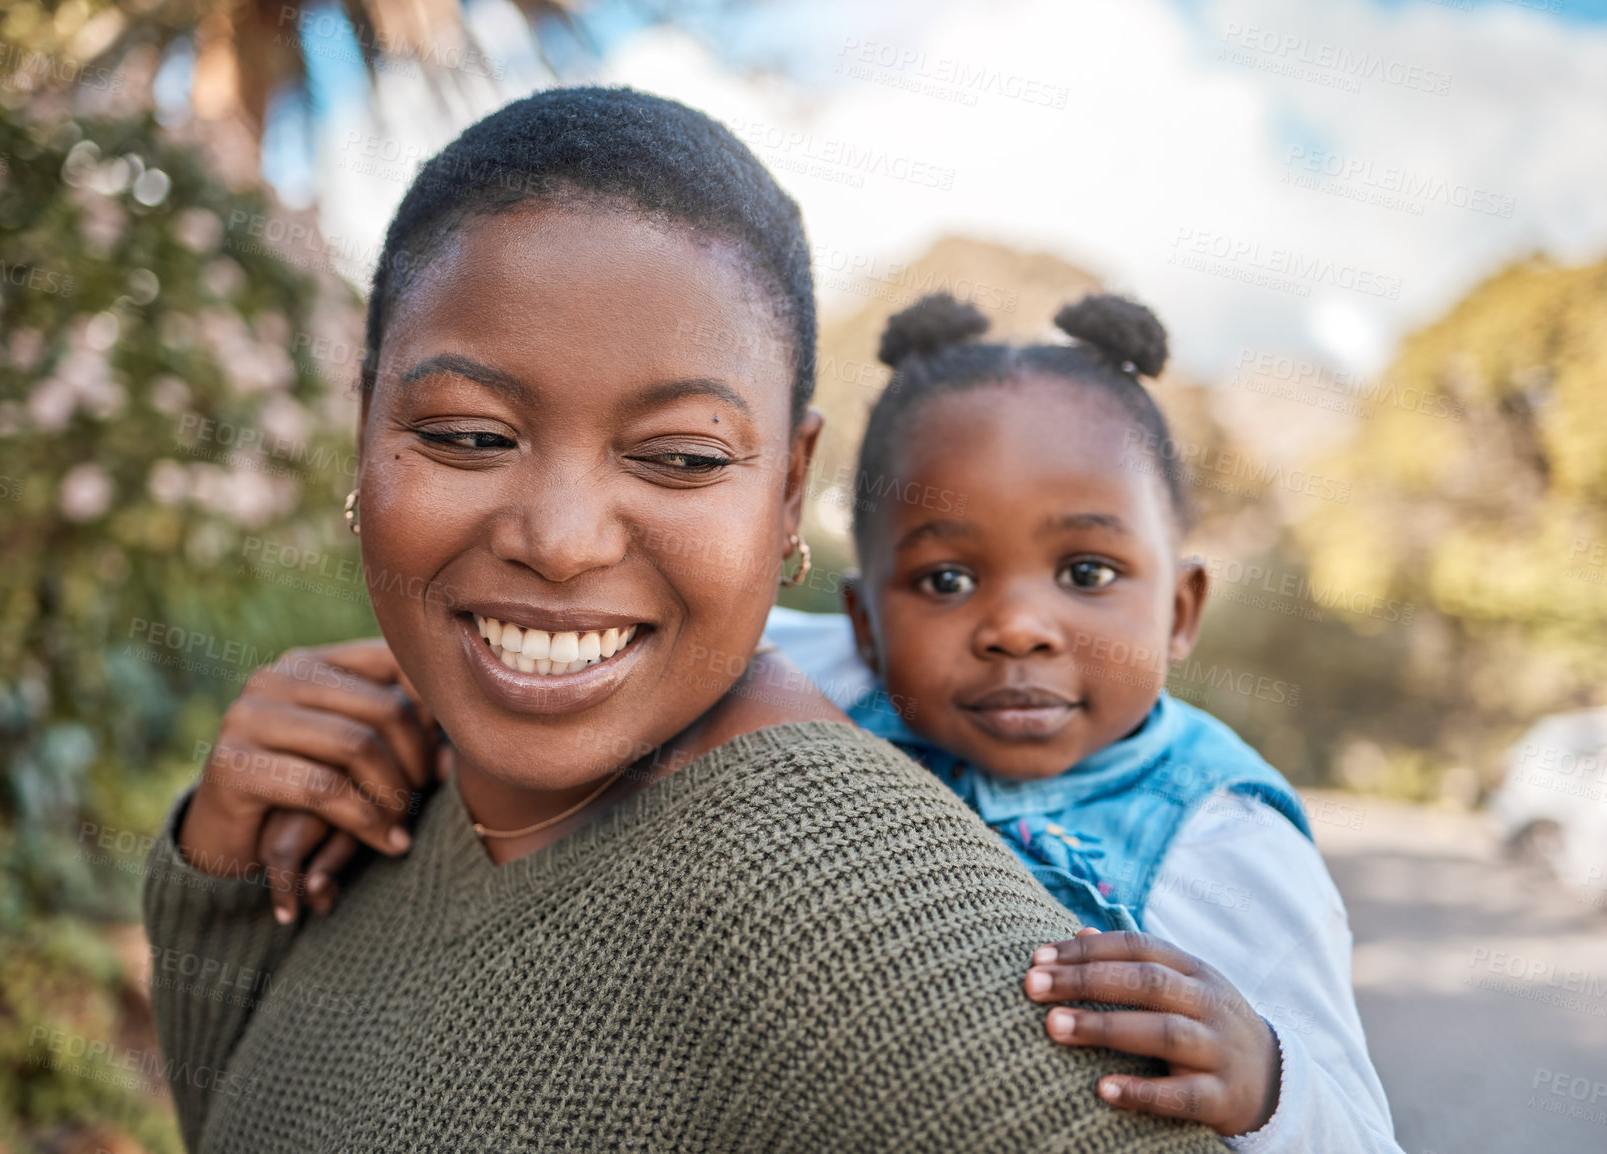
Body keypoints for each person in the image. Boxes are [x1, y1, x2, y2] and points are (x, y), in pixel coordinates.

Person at [141, 88, 1227, 1153]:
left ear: (790, 490)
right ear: (368, 421)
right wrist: (223, 878)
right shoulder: (399, 789)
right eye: (470, 436)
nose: (560, 540)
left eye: (682, 456)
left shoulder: (837, 905)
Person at [764, 293, 1404, 1150]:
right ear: (866, 626)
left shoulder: (1226, 843)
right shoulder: (823, 684)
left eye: (1088, 571)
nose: (1017, 627)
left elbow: (1362, 1136)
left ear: (1180, 610)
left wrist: (1267, 1083)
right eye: (946, 581)